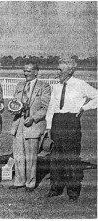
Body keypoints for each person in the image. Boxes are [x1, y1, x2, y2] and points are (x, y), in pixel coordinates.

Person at [45, 58, 97, 201]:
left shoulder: (80, 84)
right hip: (57, 121)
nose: (57, 72)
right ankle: (55, 188)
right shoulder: (56, 86)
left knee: (71, 157)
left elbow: (96, 96)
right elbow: (51, 107)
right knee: (56, 158)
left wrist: (84, 108)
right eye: (57, 69)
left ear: (70, 71)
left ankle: (73, 190)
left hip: (71, 122)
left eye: (60, 70)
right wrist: (49, 126)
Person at [9, 63, 51, 192]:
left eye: (28, 71)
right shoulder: (20, 85)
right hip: (19, 124)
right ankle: (19, 181)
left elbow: (45, 108)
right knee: (18, 155)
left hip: (33, 124)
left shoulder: (44, 86)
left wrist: (33, 118)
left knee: (31, 156)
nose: (25, 73)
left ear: (36, 72)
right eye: (24, 71)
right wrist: (13, 109)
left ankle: (30, 183)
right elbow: (15, 103)